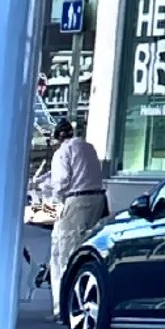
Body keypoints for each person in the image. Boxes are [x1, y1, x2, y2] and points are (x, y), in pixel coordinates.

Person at [39, 120, 108, 314]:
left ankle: (62, 308)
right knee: (85, 251)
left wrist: (48, 195)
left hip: (76, 202)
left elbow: (62, 182)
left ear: (57, 138)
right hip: (97, 201)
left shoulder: (62, 152)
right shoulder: (88, 147)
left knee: (63, 254)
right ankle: (85, 298)